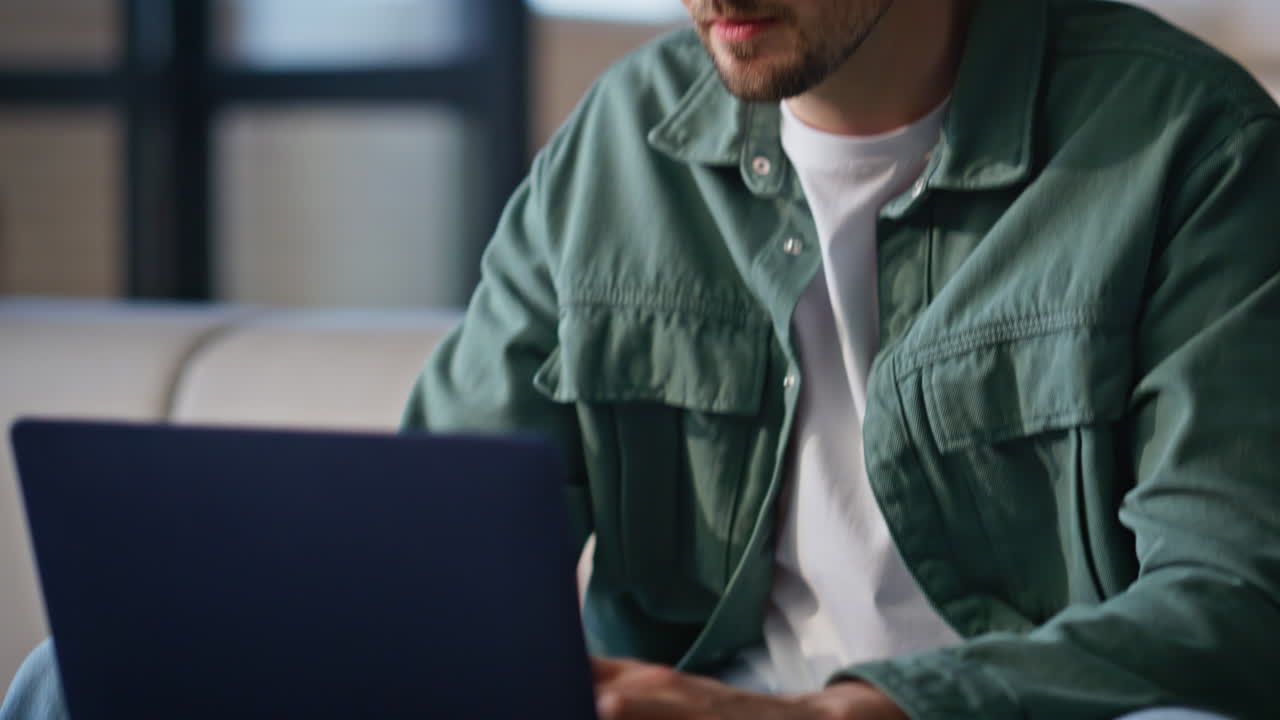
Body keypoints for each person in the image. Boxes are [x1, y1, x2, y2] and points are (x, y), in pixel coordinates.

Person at [4, 0, 1278, 718]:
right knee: (72, 683)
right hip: (667, 715)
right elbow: (426, 533)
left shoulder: (1186, 148)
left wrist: (858, 714)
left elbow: (1232, 600)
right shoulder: (621, 141)